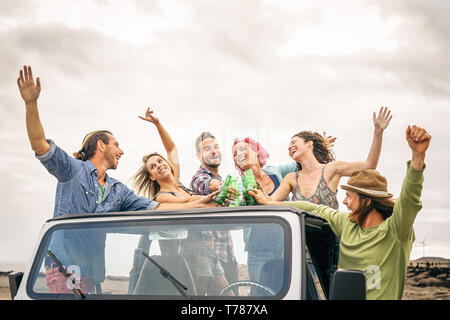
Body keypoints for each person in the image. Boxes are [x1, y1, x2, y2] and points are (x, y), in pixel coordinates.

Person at [17, 66, 215, 294]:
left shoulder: (118, 190)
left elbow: (158, 207)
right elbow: (40, 145)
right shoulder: (72, 170)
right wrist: (31, 103)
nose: (121, 151)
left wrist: (199, 203)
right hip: (64, 266)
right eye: (117, 145)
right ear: (101, 145)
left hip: (93, 272)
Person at [250, 124, 431, 300]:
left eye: (349, 196)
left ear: (366, 200)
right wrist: (268, 201)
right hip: (303, 252)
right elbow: (313, 208)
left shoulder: (395, 231)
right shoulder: (346, 224)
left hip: (325, 250)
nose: (343, 201)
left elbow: (409, 198)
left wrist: (417, 155)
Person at [131, 110, 231, 296]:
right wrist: (211, 199)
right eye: (153, 166)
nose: (159, 165)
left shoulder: (177, 183)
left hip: (208, 249)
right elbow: (193, 205)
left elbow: (172, 149)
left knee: (228, 295)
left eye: (160, 161)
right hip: (187, 255)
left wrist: (157, 123)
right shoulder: (162, 197)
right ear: (152, 177)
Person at [270, 107, 393, 204]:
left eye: (294, 142)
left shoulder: (331, 169)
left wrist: (378, 131)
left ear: (309, 144)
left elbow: (369, 165)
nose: (289, 147)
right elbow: (269, 202)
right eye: (289, 145)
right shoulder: (291, 178)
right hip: (300, 235)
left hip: (328, 234)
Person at [190, 132, 239, 294]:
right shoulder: (198, 178)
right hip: (208, 256)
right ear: (198, 156)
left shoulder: (224, 179)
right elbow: (208, 184)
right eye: (207, 149)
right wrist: (221, 185)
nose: (213, 151)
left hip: (228, 253)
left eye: (216, 147)